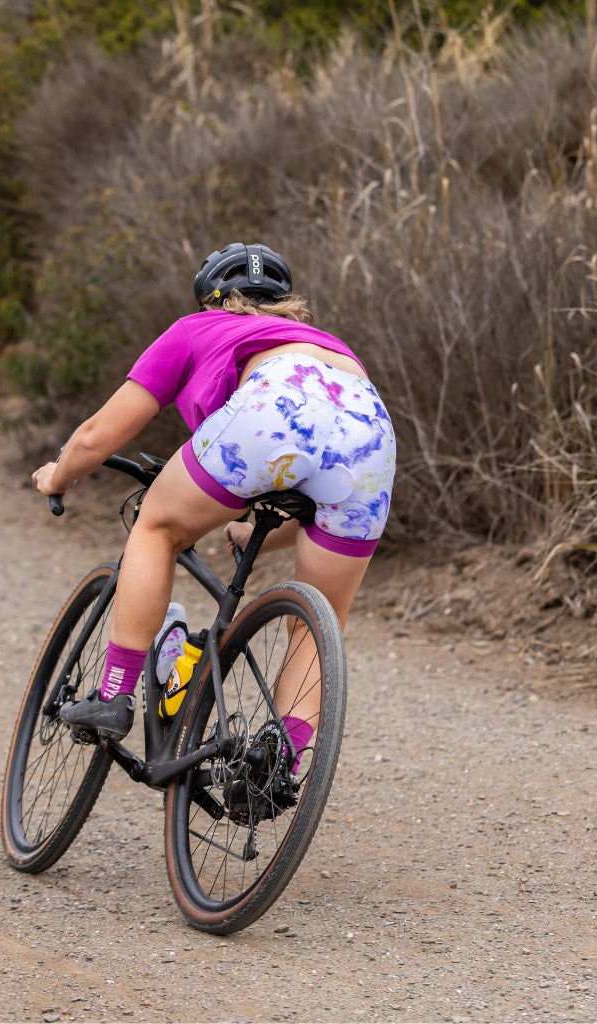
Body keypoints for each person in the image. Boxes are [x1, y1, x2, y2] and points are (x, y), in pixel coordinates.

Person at [32, 242, 396, 747]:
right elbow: (316, 461)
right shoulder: (328, 344)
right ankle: (278, 762)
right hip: (369, 429)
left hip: (276, 405)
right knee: (315, 627)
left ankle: (113, 696)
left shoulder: (198, 327)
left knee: (157, 528)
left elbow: (95, 438)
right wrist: (253, 534)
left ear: (213, 301)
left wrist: (58, 476)